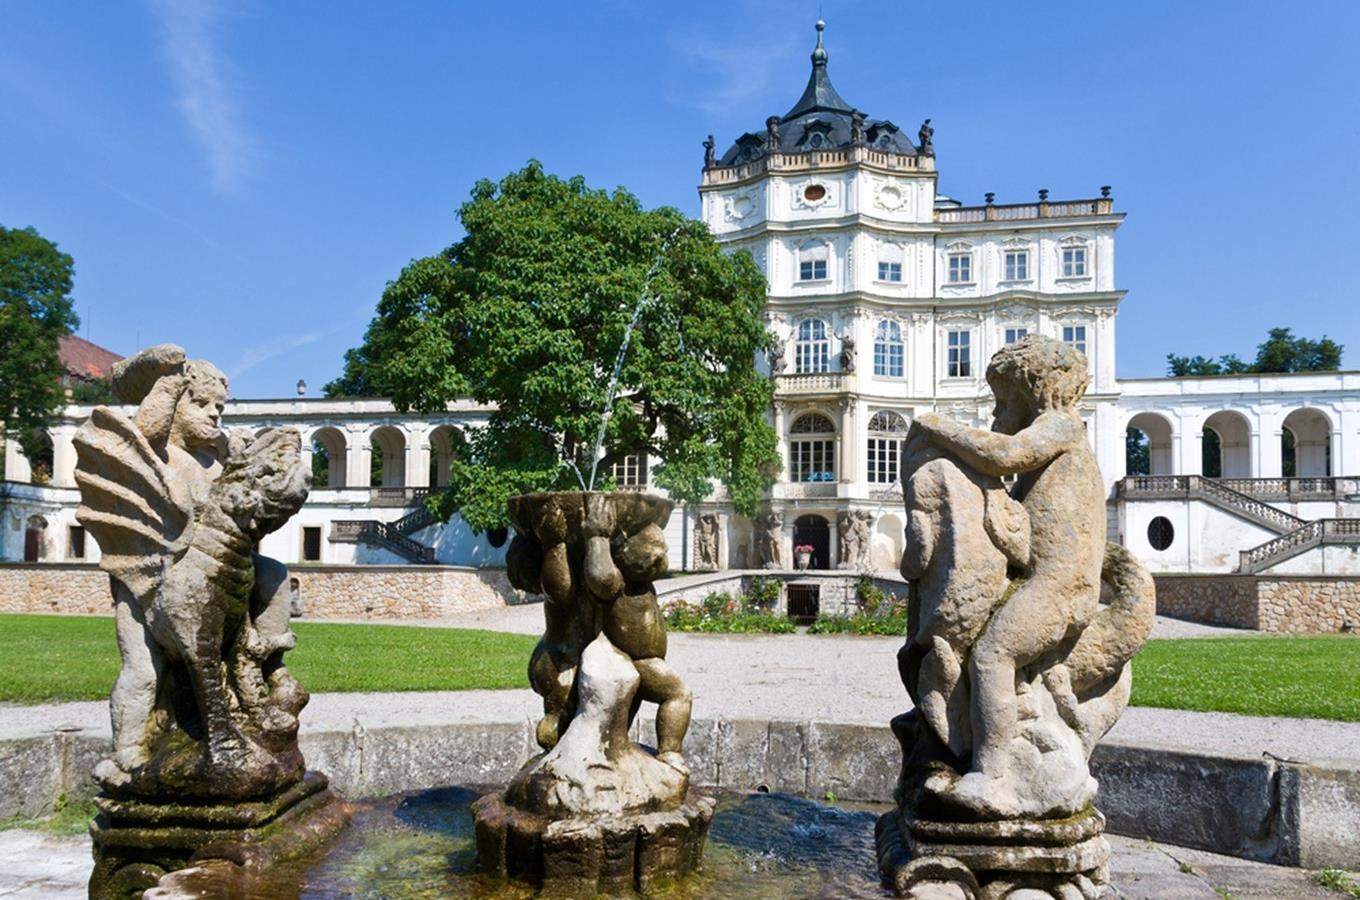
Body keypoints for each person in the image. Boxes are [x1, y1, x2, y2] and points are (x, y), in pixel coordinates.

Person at [909, 336, 1104, 808]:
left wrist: (936, 425)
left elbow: (1002, 455)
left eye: (1002, 401)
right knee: (990, 653)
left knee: (992, 655)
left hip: (1059, 587)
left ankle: (990, 775)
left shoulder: (1060, 425)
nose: (996, 414)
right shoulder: (1051, 455)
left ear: (1031, 390)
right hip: (1044, 580)